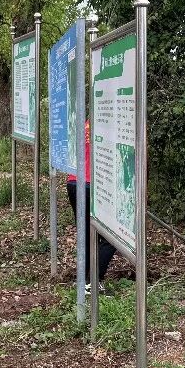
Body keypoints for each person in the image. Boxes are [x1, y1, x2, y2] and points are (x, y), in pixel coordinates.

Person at [67, 121, 117, 291]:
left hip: (73, 182)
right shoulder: (107, 126)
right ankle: (94, 280)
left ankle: (84, 279)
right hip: (92, 185)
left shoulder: (85, 124)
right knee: (111, 237)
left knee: (87, 235)